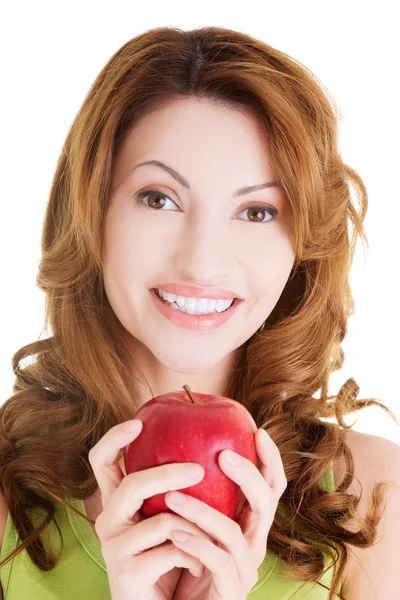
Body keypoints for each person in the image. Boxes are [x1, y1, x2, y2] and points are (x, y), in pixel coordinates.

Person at [0, 25, 399, 600]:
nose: (201, 261)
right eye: (159, 198)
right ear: (92, 214)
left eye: (258, 211)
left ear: (301, 245)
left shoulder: (374, 499)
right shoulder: (10, 486)